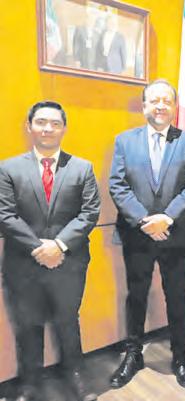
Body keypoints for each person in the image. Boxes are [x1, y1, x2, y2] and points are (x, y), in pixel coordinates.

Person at [0, 101, 100, 401]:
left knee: (68, 321)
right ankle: (29, 383)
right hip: (23, 262)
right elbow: (5, 214)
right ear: (29, 126)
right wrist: (39, 248)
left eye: (55, 123)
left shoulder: (82, 168)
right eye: (41, 122)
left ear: (64, 129)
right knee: (27, 323)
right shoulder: (8, 168)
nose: (48, 128)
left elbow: (90, 213)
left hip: (69, 261)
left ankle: (76, 376)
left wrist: (58, 245)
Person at [108, 79, 185, 389]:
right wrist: (145, 220)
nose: (161, 106)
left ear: (175, 107)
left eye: (167, 100)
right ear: (144, 106)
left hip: (175, 235)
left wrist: (167, 218)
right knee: (136, 295)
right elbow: (117, 185)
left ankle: (180, 356)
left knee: (176, 297)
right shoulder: (125, 141)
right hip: (137, 235)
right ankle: (133, 354)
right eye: (154, 100)